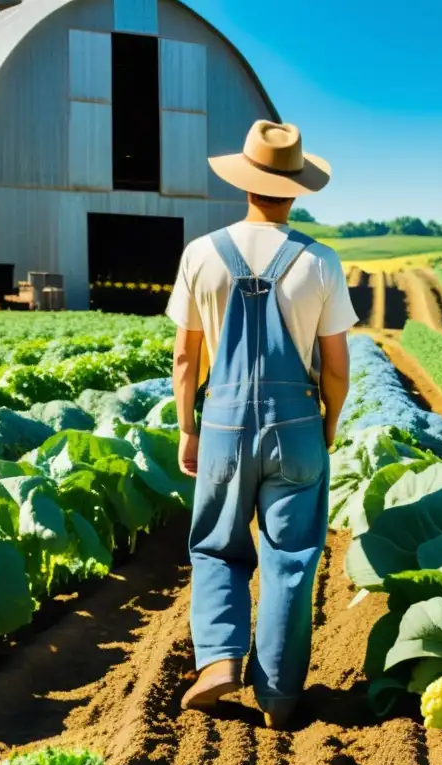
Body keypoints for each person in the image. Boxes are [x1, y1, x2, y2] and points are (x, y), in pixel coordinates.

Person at [166, 120, 358, 726]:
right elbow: (336, 367)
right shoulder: (321, 261)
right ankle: (278, 695)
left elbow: (184, 357)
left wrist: (187, 427)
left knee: (218, 547)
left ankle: (219, 661)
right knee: (292, 557)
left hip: (221, 423)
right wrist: (326, 427)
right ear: (295, 189)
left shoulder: (201, 253)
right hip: (297, 424)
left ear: (243, 182)